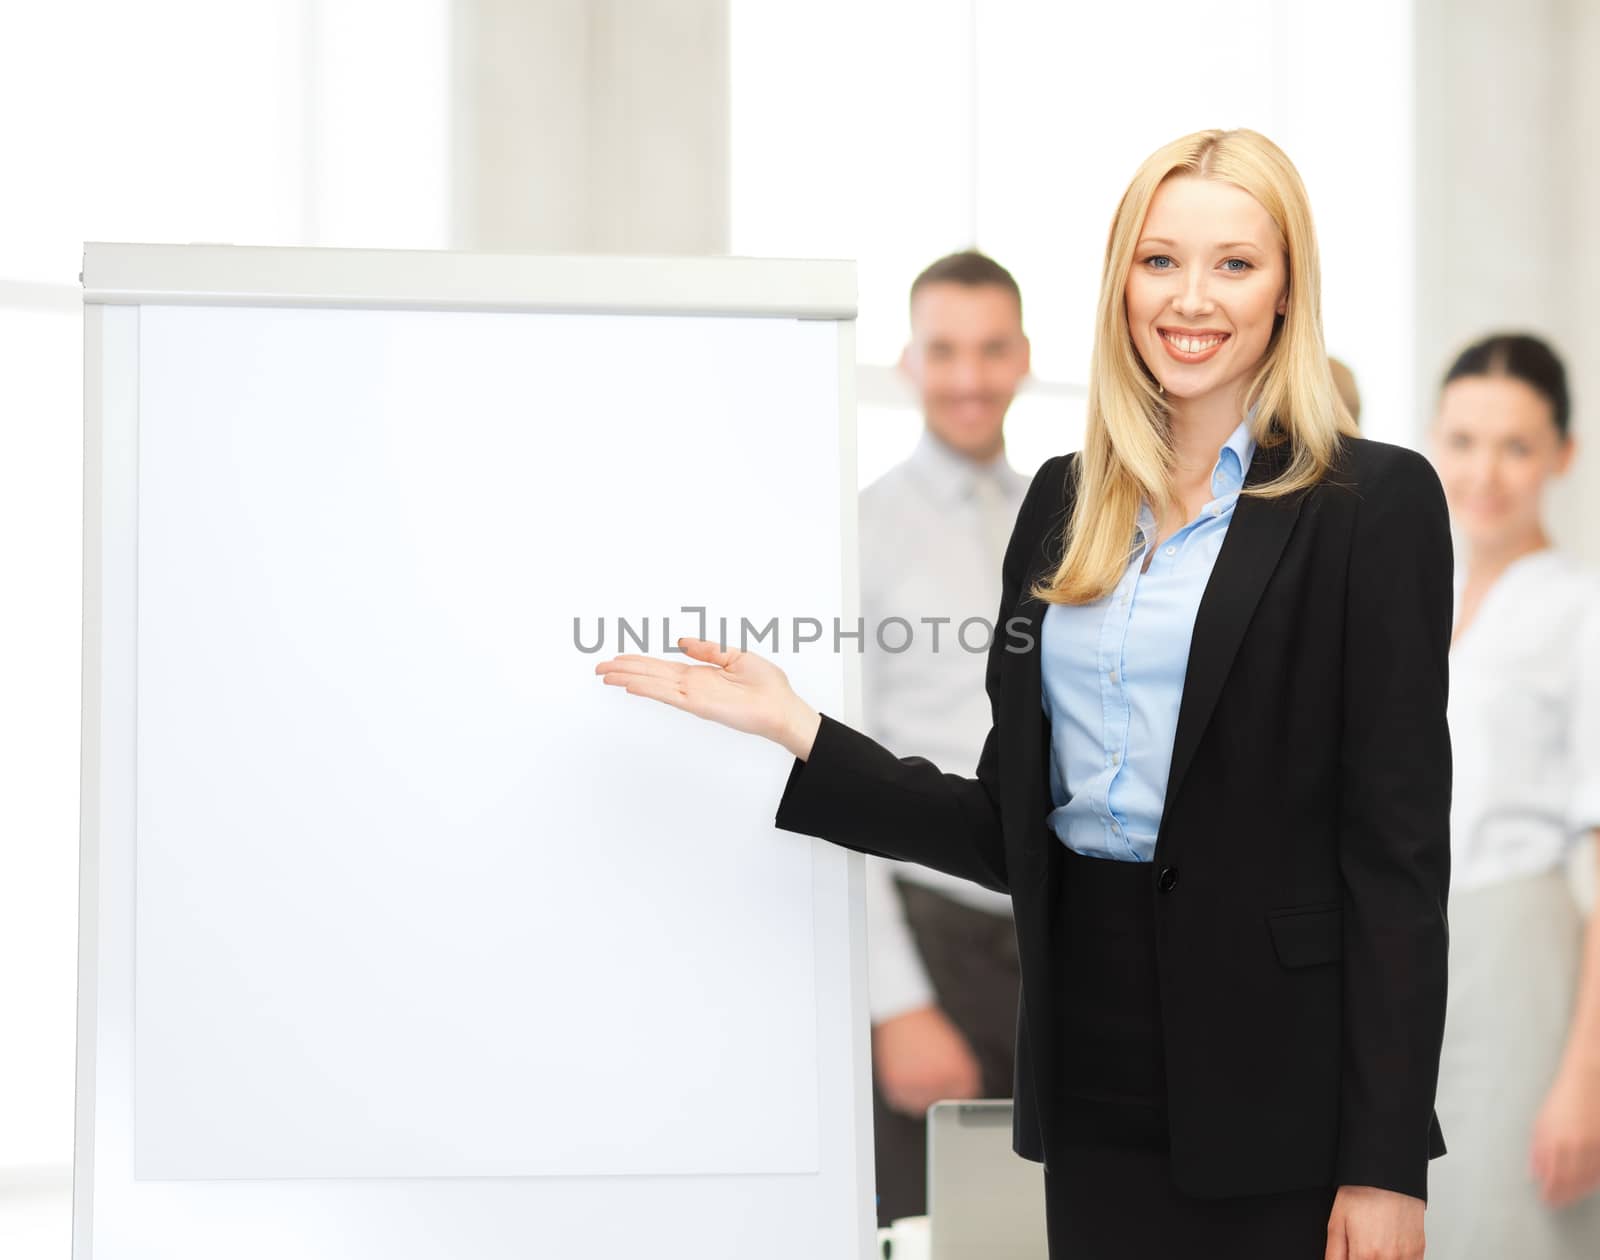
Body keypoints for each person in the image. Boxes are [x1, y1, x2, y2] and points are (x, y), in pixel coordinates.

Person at [595, 128, 1450, 1259]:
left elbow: (1393, 862)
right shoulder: (1061, 503)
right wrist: (797, 727)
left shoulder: (1370, 504)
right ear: (1119, 283)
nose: (1190, 298)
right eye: (1158, 261)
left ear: (1287, 288)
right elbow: (1011, 831)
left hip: (1275, 1088)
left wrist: (1383, 1163)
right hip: (1088, 1067)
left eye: (1234, 263)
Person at [860, 250, 1032, 1226]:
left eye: (990, 349)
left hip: (1060, 937)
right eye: (944, 351)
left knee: (1050, 1227)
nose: (968, 376)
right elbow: (838, 771)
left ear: (1022, 358)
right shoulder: (865, 531)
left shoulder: (1069, 518)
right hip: (935, 935)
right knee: (935, 1231)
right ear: (907, 364)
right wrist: (895, 1001)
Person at [1423, 332, 1600, 1256]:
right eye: (1463, 440)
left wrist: (1588, 1075)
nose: (1484, 471)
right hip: (1401, 962)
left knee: (1508, 1228)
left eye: (1517, 446)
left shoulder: (1582, 610)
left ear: (1562, 456)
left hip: (1520, 963)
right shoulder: (1407, 594)